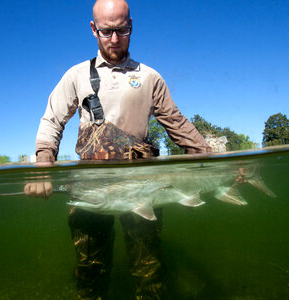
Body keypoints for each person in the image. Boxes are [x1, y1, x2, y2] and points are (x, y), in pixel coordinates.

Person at [25, 0, 211, 298]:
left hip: (143, 186)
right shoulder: (76, 76)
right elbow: (52, 120)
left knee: (148, 270)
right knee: (90, 271)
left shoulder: (150, 77)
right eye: (106, 31)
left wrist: (211, 158)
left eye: (122, 31)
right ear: (93, 28)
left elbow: (178, 125)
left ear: (131, 26)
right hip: (89, 187)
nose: (114, 39)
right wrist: (44, 164)